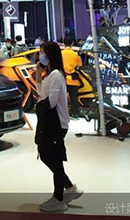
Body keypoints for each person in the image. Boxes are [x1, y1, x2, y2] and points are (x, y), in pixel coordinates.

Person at [35, 41, 82, 212]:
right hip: (52, 122)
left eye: (42, 52)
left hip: (56, 123)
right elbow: (41, 93)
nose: (40, 55)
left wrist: (40, 106)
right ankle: (69, 188)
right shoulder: (51, 74)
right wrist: (38, 74)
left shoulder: (56, 74)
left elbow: (51, 101)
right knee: (48, 156)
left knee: (52, 158)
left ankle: (59, 198)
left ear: (49, 54)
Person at [59, 39, 82, 119]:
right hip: (73, 78)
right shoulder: (75, 54)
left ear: (64, 44)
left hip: (62, 77)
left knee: (62, 97)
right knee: (74, 97)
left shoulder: (61, 53)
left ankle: (62, 114)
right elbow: (80, 65)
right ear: (72, 43)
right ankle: (74, 114)